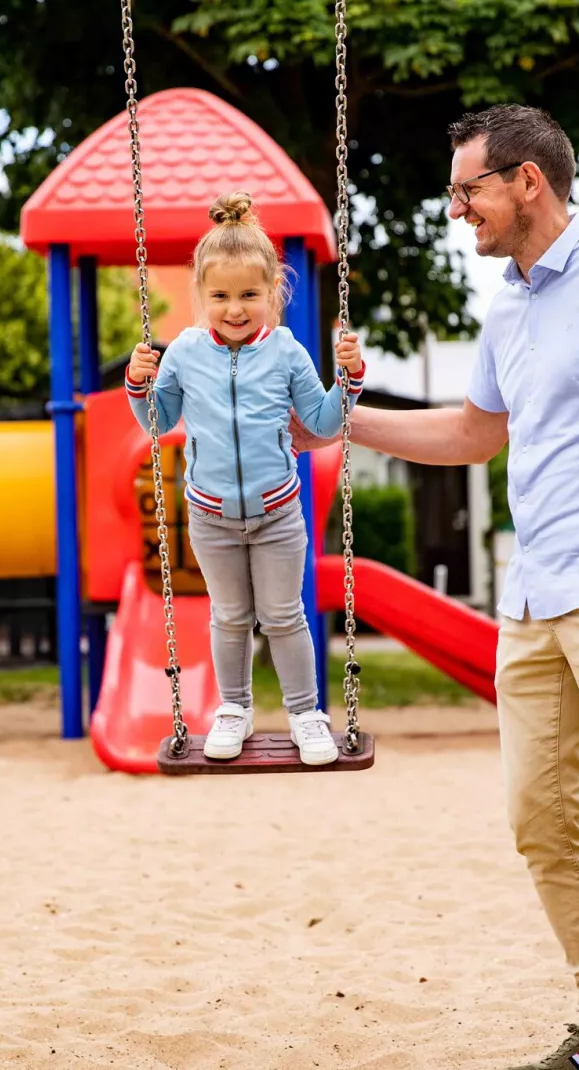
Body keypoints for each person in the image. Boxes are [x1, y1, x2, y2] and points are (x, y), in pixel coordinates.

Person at [294, 105, 579, 1069]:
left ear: (528, 181)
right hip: (532, 598)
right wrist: (342, 426)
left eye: (469, 189)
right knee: (538, 818)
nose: (458, 210)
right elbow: (474, 433)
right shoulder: (510, 304)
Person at [125, 192, 365, 766]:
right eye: (221, 296)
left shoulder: (285, 351)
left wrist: (349, 379)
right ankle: (233, 708)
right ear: (202, 297)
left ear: (272, 295)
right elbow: (157, 421)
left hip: (278, 513)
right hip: (210, 516)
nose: (236, 308)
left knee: (284, 616)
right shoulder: (183, 351)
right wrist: (139, 385)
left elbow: (325, 422)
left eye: (250, 295)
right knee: (229, 617)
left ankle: (307, 714)